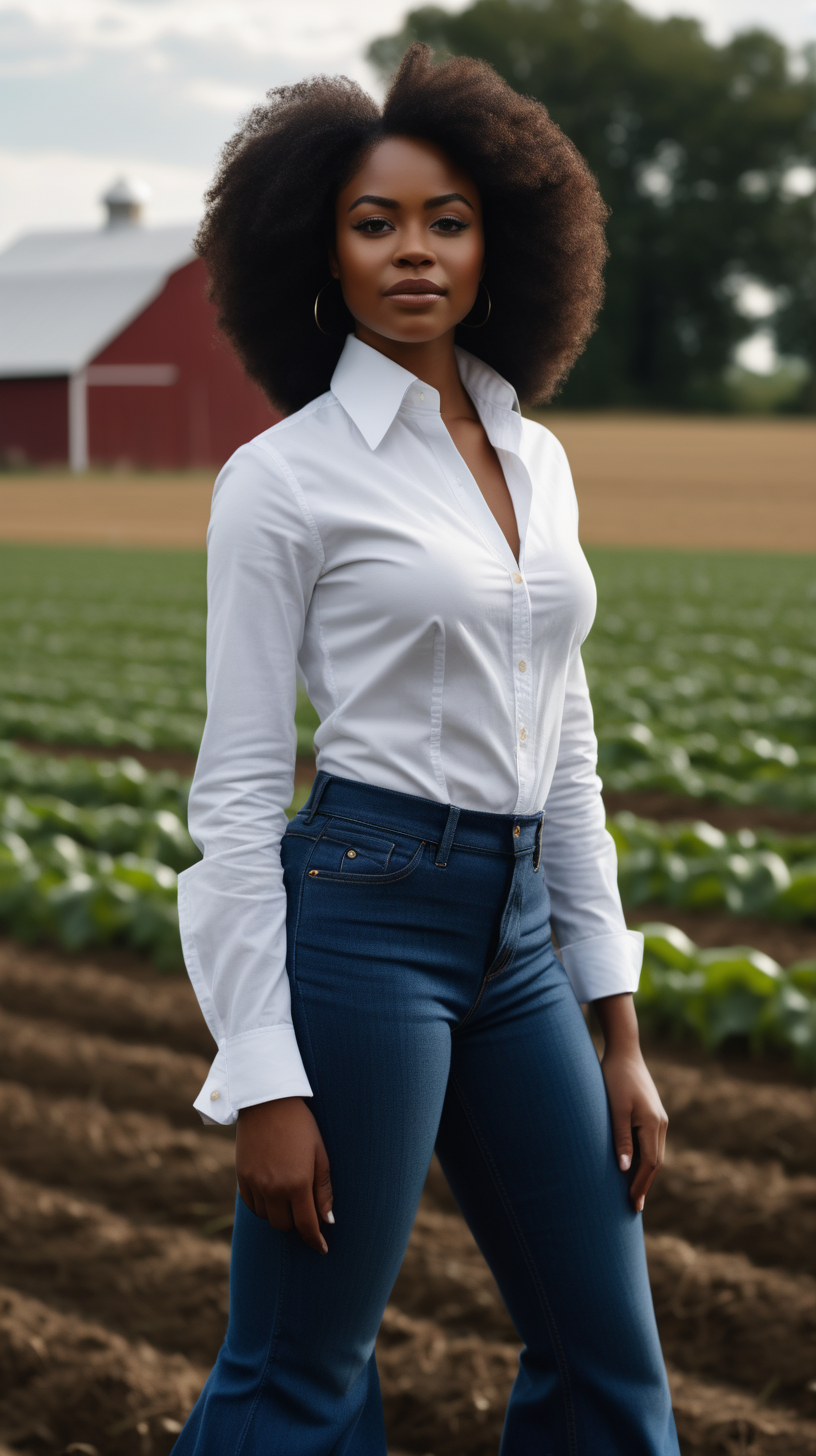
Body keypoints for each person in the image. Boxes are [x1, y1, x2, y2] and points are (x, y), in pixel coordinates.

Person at [173, 42, 678, 1456]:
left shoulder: (538, 458)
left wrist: (616, 1028)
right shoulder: (280, 482)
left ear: (499, 239)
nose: (414, 252)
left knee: (610, 1366)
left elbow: (562, 740)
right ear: (320, 251)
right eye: (374, 221)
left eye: (446, 219)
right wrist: (264, 1074)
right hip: (363, 916)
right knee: (303, 1374)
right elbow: (231, 787)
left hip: (523, 946)